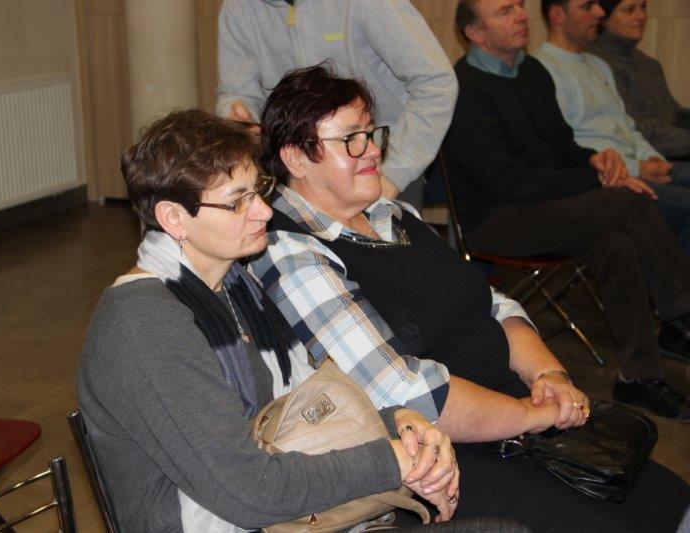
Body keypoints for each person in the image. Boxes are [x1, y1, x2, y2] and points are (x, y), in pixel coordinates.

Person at [250, 63, 690, 532]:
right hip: (440, 459)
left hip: (515, 418)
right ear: (296, 159)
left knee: (672, 499)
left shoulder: (390, 213)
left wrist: (549, 375)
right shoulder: (291, 252)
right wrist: (532, 415)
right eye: (351, 139)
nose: (373, 149)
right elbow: (405, 391)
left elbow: (495, 305)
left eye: (371, 132)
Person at [76, 109, 471, 531]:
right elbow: (250, 491)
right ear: (174, 218)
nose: (264, 212)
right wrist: (390, 461)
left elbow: (313, 402)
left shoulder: (234, 284)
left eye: (258, 191)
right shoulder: (144, 324)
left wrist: (398, 422)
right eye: (236, 202)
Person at [443, 0, 690, 410]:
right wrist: (595, 179)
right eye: (504, 11)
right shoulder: (465, 88)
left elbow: (561, 147)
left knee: (616, 243)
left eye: (519, 6)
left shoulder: (532, 73)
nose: (521, 15)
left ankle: (639, 377)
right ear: (475, 33)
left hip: (542, 206)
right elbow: (509, 182)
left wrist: (595, 160)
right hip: (494, 218)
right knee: (628, 203)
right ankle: (683, 314)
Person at [215, 0, 458, 207]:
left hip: (380, 161)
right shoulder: (238, 7)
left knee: (386, 249)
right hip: (298, 172)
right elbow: (236, 93)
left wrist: (395, 172)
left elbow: (436, 83)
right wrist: (238, 111)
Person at [534, 0, 690, 256]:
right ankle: (673, 280)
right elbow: (567, 147)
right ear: (557, 15)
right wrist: (636, 168)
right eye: (587, 7)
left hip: (634, 164)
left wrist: (651, 157)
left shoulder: (598, 65)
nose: (599, 12)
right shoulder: (543, 69)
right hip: (606, 178)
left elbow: (627, 125)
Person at [589, 0, 690, 160]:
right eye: (629, 10)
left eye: (643, 7)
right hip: (638, 159)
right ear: (604, 19)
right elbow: (633, 128)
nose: (641, 16)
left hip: (674, 151)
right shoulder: (595, 63)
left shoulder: (649, 64)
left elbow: (674, 113)